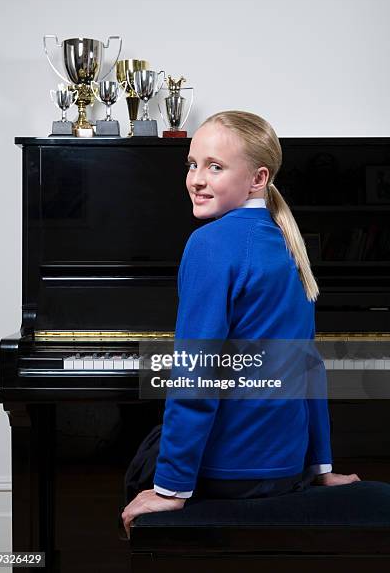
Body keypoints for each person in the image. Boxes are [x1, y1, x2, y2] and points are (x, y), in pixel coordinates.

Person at [121, 110, 360, 537]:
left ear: (257, 178)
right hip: (289, 467)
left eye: (215, 167)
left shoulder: (210, 243)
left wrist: (171, 489)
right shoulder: (287, 241)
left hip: (232, 473)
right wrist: (321, 466)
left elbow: (196, 375)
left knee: (138, 462)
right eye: (193, 164)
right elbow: (309, 366)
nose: (196, 178)